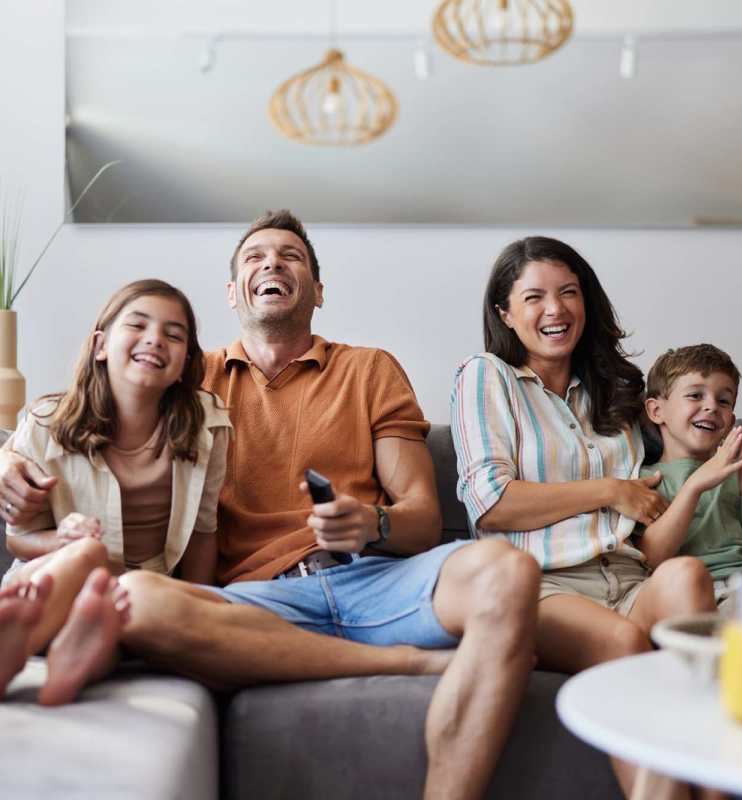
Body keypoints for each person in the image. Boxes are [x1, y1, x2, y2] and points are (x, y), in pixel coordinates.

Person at [0, 211, 540, 800]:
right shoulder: (188, 378)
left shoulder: (370, 369)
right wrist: (6, 460)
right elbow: (88, 415)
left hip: (377, 580)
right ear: (232, 292)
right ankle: (408, 660)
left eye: (291, 256)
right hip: (256, 599)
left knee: (507, 570)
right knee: (136, 600)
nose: (273, 264)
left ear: (317, 289)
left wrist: (373, 522)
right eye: (255, 257)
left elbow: (422, 520)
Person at [451, 235, 721, 798]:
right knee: (623, 642)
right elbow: (492, 503)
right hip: (543, 586)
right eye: (535, 297)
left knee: (689, 580)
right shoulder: (487, 377)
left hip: (628, 575)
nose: (555, 309)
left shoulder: (615, 393)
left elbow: (688, 444)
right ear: (505, 312)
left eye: (569, 292)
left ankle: (716, 784)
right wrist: (608, 490)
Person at [1, 279, 229, 704]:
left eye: (173, 334)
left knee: (116, 615)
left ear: (185, 362)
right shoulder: (47, 423)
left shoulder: (207, 427)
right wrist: (62, 540)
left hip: (134, 589)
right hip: (53, 576)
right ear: (100, 345)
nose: (155, 340)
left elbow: (203, 532)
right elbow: (17, 537)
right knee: (87, 556)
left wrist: (199, 605)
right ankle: (21, 637)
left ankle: (78, 654)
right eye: (138, 325)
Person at [638, 343, 742, 602]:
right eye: (695, 396)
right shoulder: (646, 480)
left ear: (731, 421)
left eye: (723, 400)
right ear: (657, 410)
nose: (712, 406)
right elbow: (651, 557)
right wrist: (695, 487)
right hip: (706, 589)